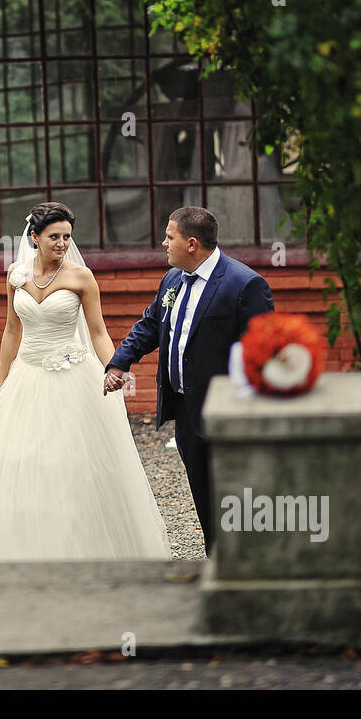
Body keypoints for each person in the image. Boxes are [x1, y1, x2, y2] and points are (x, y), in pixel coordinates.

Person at [0, 202, 171, 561]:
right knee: (18, 459)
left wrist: (113, 368)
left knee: (69, 459)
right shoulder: (16, 275)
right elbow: (11, 330)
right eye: (54, 236)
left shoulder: (80, 277)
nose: (62, 244)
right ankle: (17, 545)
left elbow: (98, 331)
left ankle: (81, 547)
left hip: (73, 377)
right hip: (27, 374)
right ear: (34, 237)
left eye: (67, 237)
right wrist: (0, 381)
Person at [104, 206, 274, 556]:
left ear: (192, 243)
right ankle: (217, 561)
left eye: (170, 237)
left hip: (228, 414)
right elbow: (151, 324)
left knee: (237, 493)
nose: (164, 244)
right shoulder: (173, 279)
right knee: (203, 492)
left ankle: (248, 563)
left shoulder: (245, 285)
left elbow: (264, 351)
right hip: (186, 410)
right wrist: (121, 362)